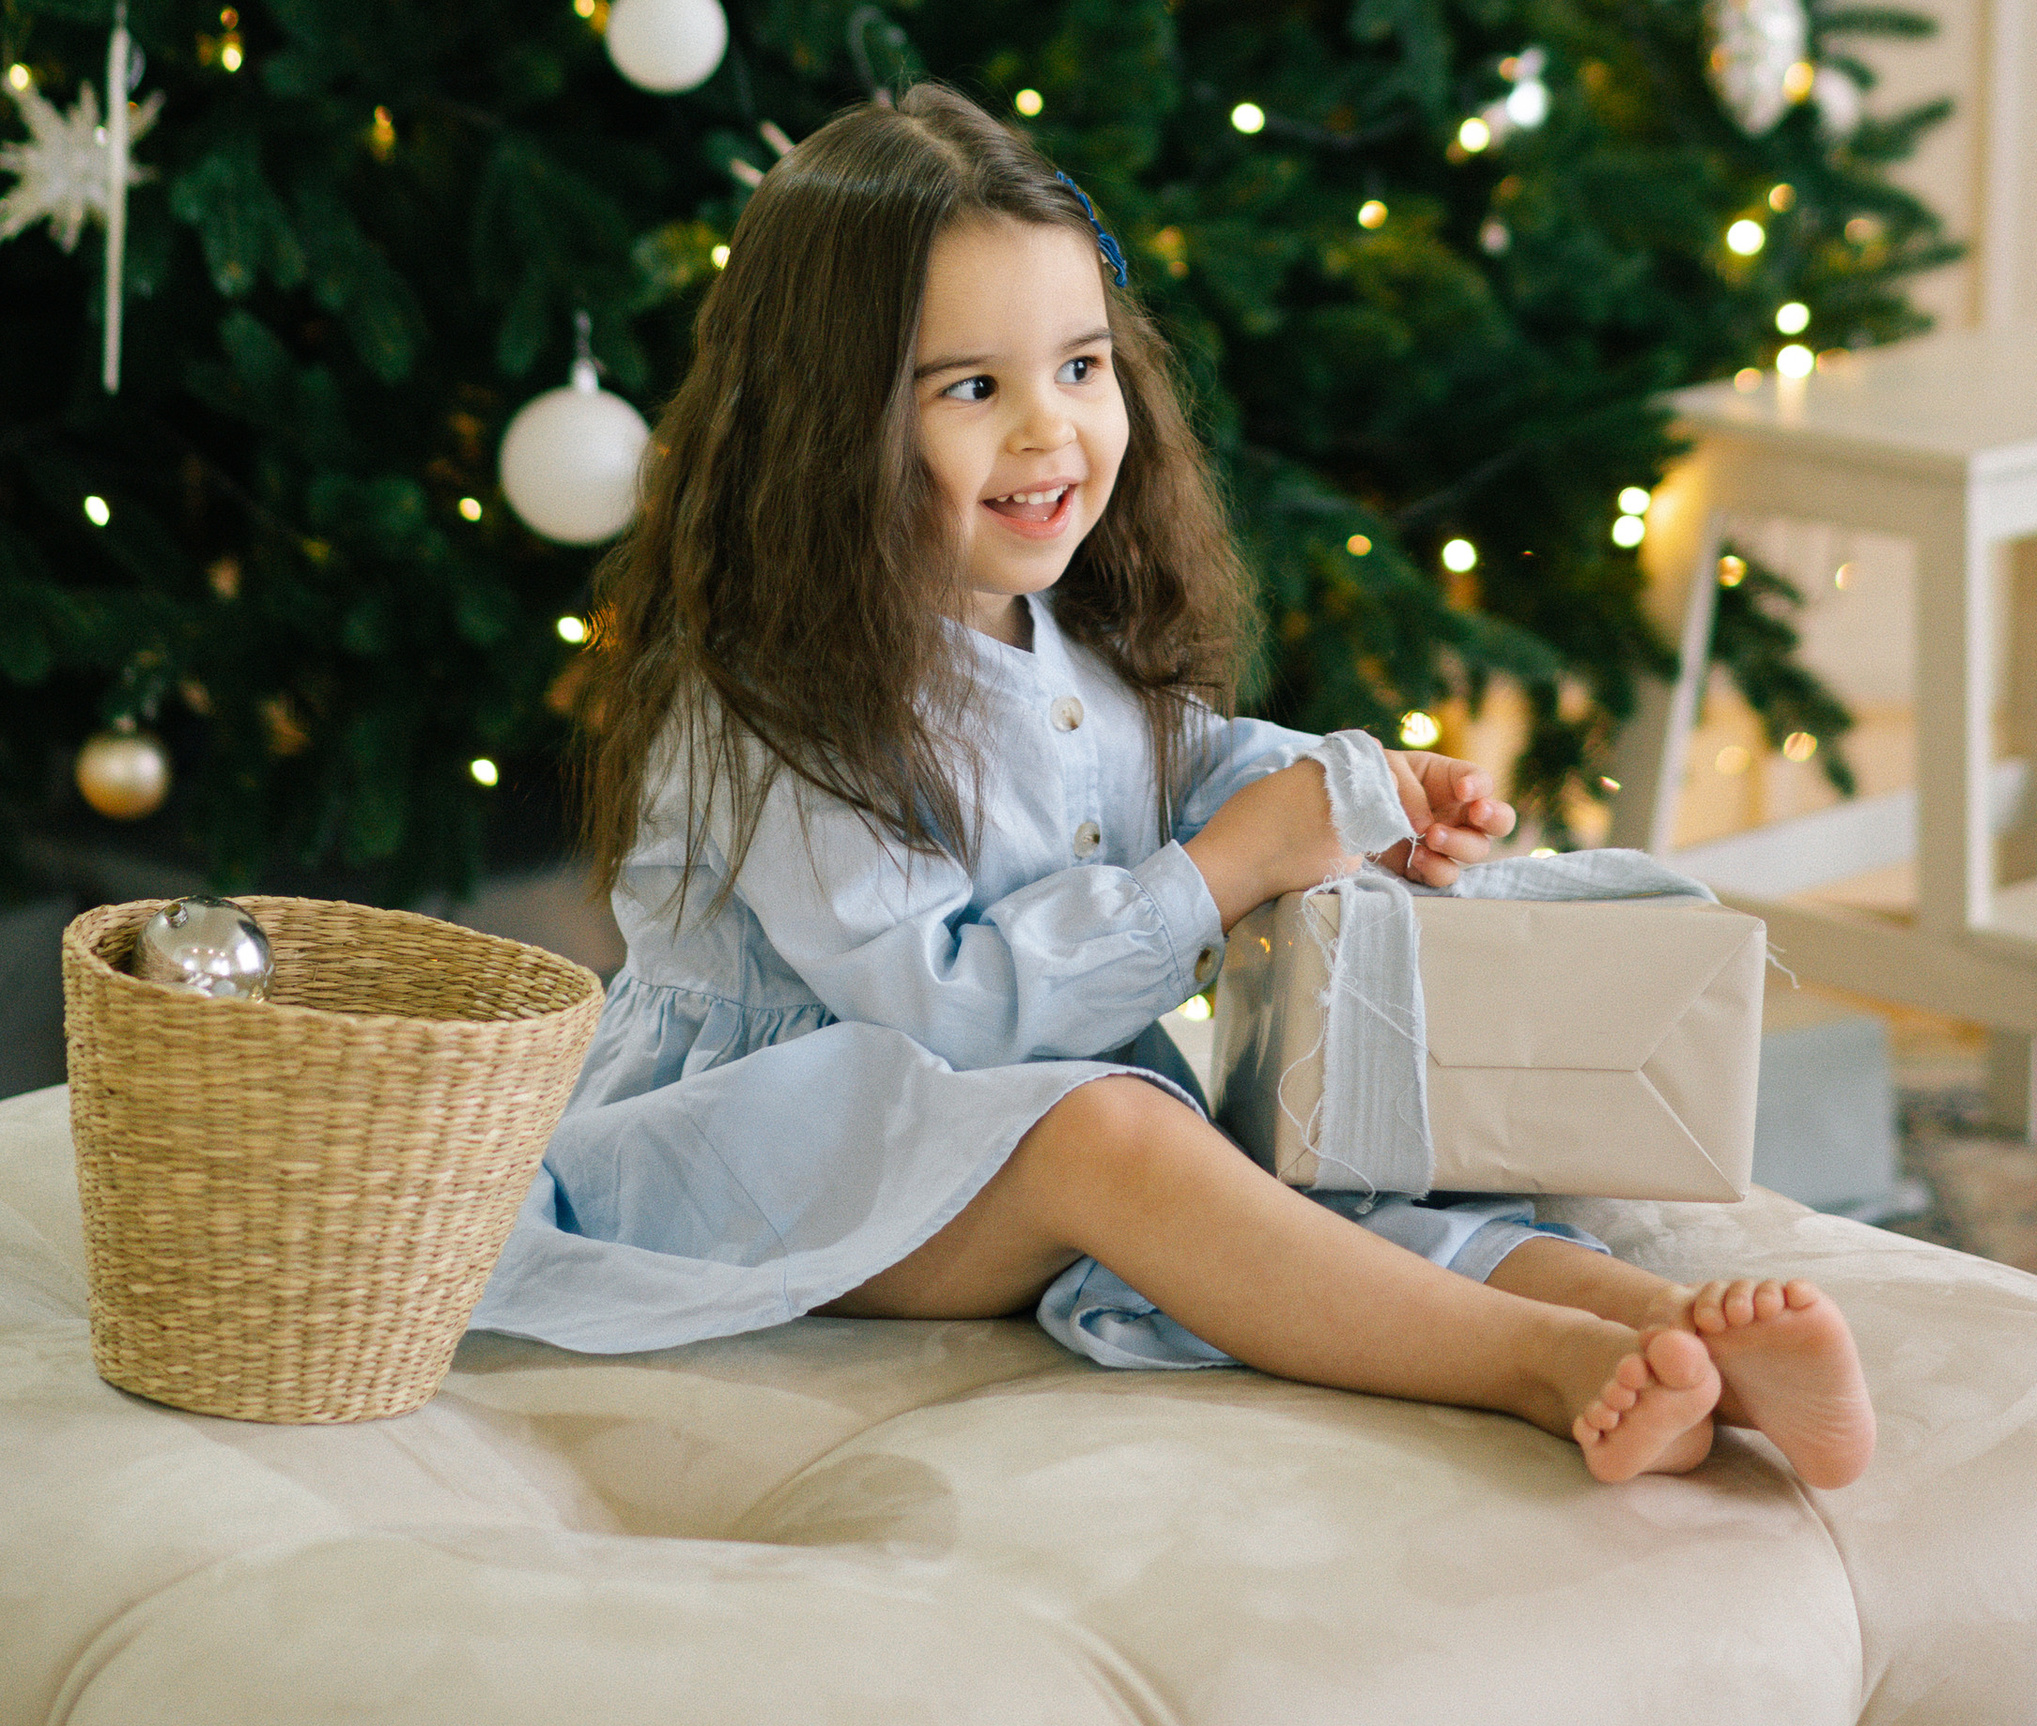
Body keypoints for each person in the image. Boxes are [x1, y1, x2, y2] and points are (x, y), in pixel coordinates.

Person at [472, 85, 1874, 1493]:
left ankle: (1674, 1331)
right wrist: (1220, 872)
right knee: (1118, 1137)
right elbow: (947, 1016)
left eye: (1081, 368)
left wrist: (1357, 805)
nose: (1050, 433)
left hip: (983, 1132)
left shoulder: (1055, 627)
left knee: (1310, 1166)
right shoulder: (771, 696)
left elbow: (1194, 768)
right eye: (973, 388)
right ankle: (1544, 1367)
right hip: (770, 1157)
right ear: (828, 426)